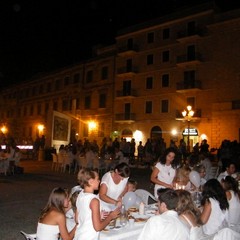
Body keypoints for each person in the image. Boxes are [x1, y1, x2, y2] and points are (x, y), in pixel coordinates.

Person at [74, 168, 120, 240]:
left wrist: (97, 217)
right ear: (91, 181)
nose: (99, 181)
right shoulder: (94, 200)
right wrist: (110, 216)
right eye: (97, 179)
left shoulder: (80, 195)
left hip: (79, 235)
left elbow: (77, 219)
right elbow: (98, 228)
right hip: (89, 237)